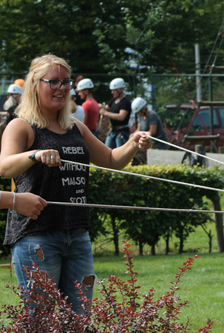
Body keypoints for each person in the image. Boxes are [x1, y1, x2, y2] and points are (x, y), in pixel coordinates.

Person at [0, 54, 153, 314]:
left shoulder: (75, 127)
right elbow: (4, 167)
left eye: (66, 82)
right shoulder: (21, 126)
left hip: (78, 235)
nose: (62, 88)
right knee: (43, 321)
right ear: (36, 84)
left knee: (80, 318)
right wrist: (34, 155)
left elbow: (110, 159)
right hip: (37, 236)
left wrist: (132, 144)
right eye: (54, 82)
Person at [100, 78, 131, 148]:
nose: (112, 92)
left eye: (114, 90)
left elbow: (121, 117)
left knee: (120, 153)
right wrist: (99, 106)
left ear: (120, 90)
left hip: (121, 132)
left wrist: (105, 113)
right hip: (112, 131)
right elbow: (107, 107)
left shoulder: (125, 102)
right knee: (107, 150)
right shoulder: (114, 100)